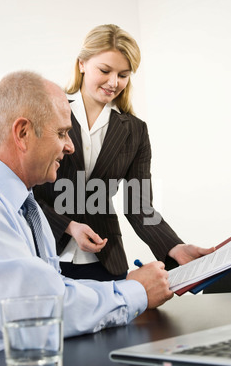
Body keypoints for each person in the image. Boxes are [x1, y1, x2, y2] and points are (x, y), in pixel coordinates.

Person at [0, 70, 173, 366]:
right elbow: (40, 308)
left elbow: (53, 288)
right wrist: (135, 292)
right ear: (22, 133)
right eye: (61, 133)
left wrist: (132, 280)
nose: (70, 146)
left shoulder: (27, 206)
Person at [34, 24, 214, 281]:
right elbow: (24, 193)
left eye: (123, 75)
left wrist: (173, 246)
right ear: (82, 64)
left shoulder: (135, 131)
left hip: (106, 263)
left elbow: (138, 204)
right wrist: (68, 227)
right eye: (105, 70)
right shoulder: (46, 112)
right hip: (46, 256)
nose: (113, 82)